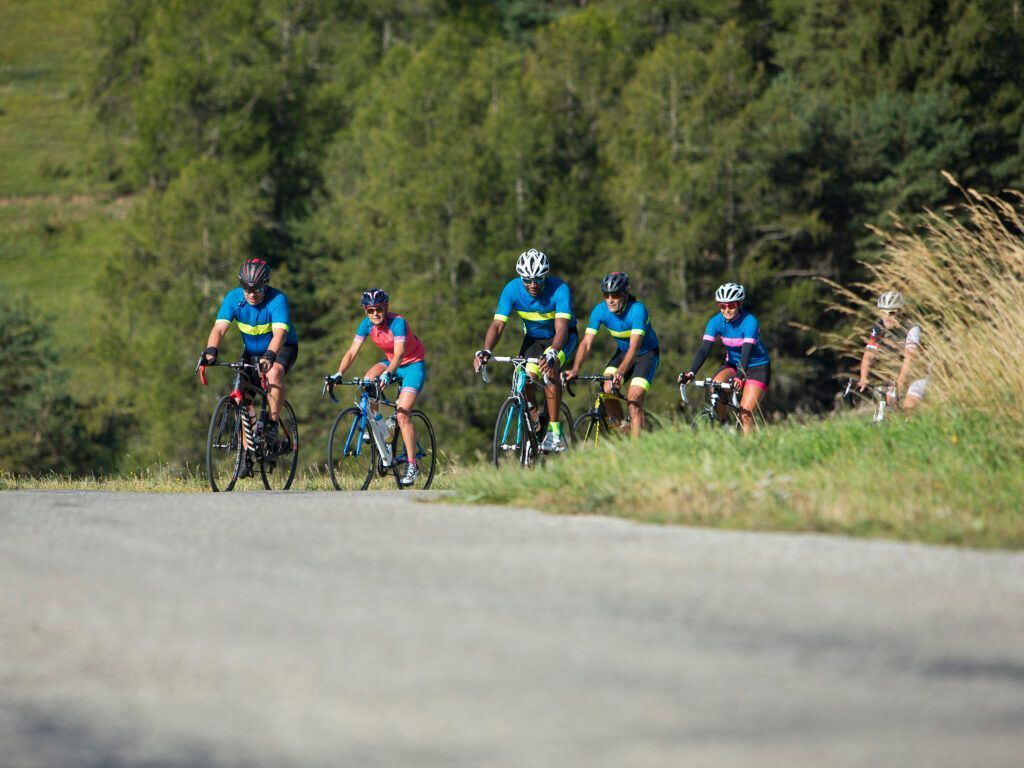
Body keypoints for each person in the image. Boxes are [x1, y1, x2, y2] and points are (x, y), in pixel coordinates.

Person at [472, 248, 577, 453]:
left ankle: (555, 433)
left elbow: (562, 327)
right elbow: (498, 325)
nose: (533, 285)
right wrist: (486, 350)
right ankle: (536, 422)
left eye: (538, 279)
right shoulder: (511, 290)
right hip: (534, 339)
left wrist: (553, 352)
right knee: (525, 379)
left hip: (561, 338)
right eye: (527, 280)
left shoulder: (560, 289)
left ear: (545, 275)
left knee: (549, 370)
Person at [201, 258, 299, 476]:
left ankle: (272, 424)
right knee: (241, 397)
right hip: (252, 352)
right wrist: (211, 350)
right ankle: (248, 451)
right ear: (241, 285)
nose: (252, 293)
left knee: (274, 373)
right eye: (247, 288)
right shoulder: (233, 299)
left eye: (258, 288)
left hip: (282, 347)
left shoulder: (277, 299)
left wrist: (270, 356)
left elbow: (280, 334)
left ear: (266, 284)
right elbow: (219, 329)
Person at [334, 289, 427, 486]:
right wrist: (339, 373)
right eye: (370, 310)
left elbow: (400, 354)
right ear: (366, 312)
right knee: (368, 380)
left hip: (412, 365)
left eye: (378, 309)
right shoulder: (366, 325)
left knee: (402, 414)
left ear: (385, 308)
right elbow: (351, 353)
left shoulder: (398, 323)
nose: (374, 314)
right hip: (390, 361)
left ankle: (412, 465)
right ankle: (379, 425)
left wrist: (388, 373)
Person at [564, 271, 660, 438]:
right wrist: (575, 369)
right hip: (623, 353)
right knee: (606, 388)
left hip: (646, 355)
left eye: (614, 295)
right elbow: (586, 343)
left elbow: (635, 347)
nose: (610, 300)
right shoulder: (600, 311)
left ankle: (638, 452)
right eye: (606, 295)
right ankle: (623, 429)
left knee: (634, 398)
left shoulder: (638, 310)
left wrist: (620, 372)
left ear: (624, 293)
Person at [678, 282, 769, 434]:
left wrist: (740, 377)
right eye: (722, 306)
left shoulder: (750, 322)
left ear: (739, 304)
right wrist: (691, 373)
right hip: (733, 365)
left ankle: (746, 449)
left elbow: (746, 353)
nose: (727, 310)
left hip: (757, 367)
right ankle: (726, 427)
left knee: (745, 413)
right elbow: (704, 350)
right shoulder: (715, 322)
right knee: (715, 386)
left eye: (731, 305)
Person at [858, 290, 927, 413]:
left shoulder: (912, 328)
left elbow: (909, 360)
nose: (887, 317)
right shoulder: (879, 326)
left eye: (892, 313)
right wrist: (864, 378)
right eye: (883, 313)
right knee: (886, 410)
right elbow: (868, 355)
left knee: (909, 407)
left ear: (900, 311)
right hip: (901, 372)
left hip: (921, 371)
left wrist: (899, 385)